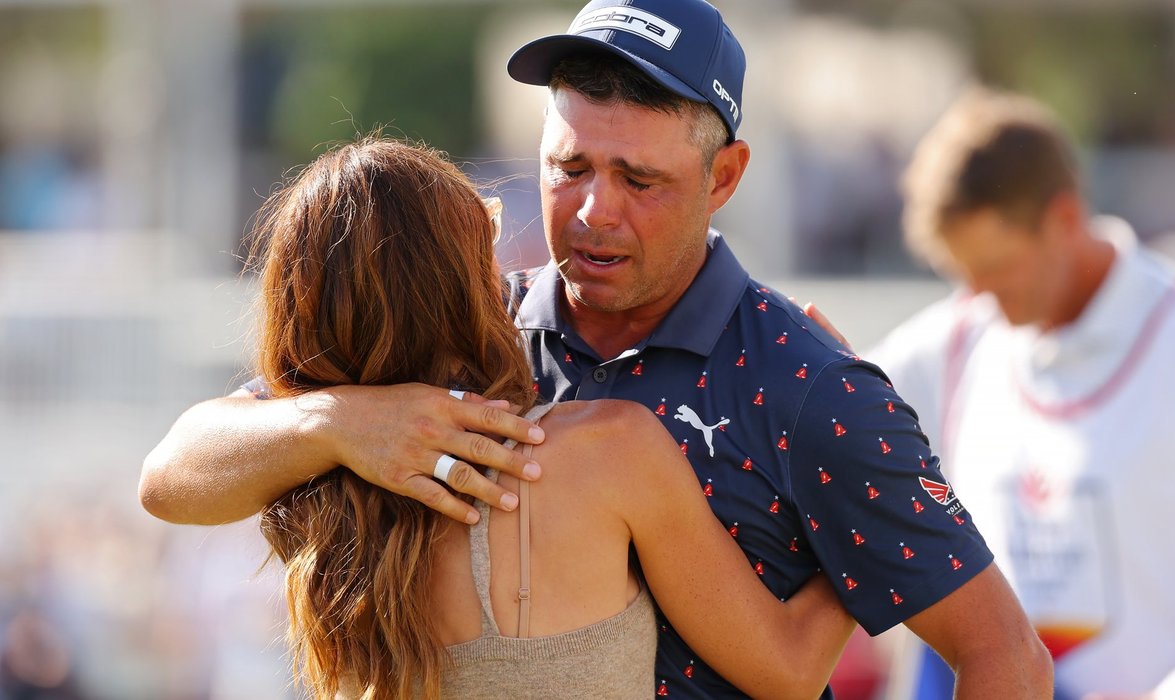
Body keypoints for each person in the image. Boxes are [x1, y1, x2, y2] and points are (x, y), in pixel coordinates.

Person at [140, 1, 1052, 697]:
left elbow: (1004, 655)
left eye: (639, 179)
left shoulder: (811, 387)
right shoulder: (461, 335)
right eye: (568, 167)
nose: (591, 210)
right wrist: (338, 422)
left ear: (722, 178)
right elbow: (173, 474)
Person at [239, 135, 855, 699]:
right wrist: (849, 468)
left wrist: (327, 422)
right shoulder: (606, 450)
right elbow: (791, 671)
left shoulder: (302, 484)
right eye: (486, 235)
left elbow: (169, 477)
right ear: (455, 282)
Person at [868, 88, 1175, 699]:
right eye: (965, 276)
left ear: (1064, 219)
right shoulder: (958, 339)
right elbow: (820, 408)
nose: (980, 296)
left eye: (997, 268)